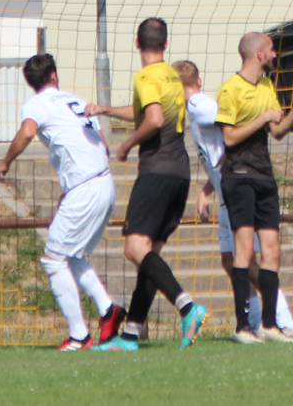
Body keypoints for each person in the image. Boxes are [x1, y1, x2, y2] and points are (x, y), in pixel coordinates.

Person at [86, 18, 208, 352]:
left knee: (133, 248)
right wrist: (109, 109)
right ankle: (129, 336)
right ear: (164, 45)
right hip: (180, 174)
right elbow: (150, 112)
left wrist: (126, 146)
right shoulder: (171, 75)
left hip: (156, 171)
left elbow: (152, 120)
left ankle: (187, 308)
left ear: (136, 43)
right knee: (149, 255)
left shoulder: (145, 76)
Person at [0, 54, 126, 351]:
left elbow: (28, 131)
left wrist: (5, 162)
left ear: (32, 83)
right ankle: (108, 310)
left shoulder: (36, 104)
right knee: (72, 254)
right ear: (54, 76)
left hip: (84, 188)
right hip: (104, 183)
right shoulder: (77, 101)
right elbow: (103, 145)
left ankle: (80, 335)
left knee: (53, 259)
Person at [172, 60, 293, 341]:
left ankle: (282, 321)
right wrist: (207, 188)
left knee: (249, 260)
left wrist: (256, 116)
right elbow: (217, 151)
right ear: (200, 79)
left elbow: (224, 121)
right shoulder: (194, 109)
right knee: (230, 262)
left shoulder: (196, 105)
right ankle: (257, 321)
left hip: (240, 186)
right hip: (225, 189)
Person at [215, 32, 293, 343]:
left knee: (273, 252)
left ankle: (269, 325)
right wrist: (262, 117)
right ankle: (243, 327)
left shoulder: (268, 86)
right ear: (258, 54)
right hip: (238, 176)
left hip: (264, 176)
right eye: (271, 50)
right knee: (244, 251)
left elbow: (278, 131)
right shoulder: (230, 89)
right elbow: (228, 138)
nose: (275, 54)